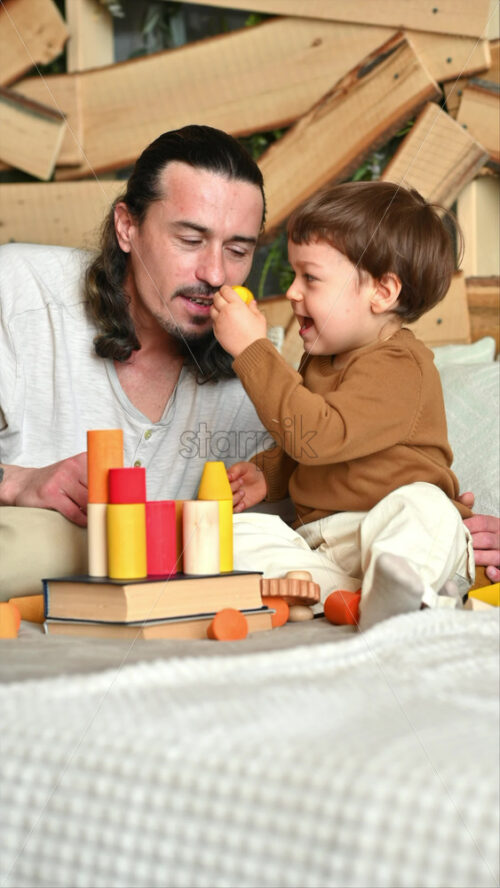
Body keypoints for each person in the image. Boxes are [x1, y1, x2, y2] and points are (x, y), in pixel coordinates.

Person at [0, 127, 498, 596]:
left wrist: (465, 531)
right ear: (127, 226)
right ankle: (364, 595)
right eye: (190, 240)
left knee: (410, 519)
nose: (215, 273)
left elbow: (340, 456)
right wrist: (18, 481)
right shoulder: (19, 291)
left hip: (362, 540)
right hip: (30, 543)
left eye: (238, 250)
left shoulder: (263, 378)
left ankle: (391, 592)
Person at [211, 181, 495, 626]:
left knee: (424, 506)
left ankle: (407, 591)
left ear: (382, 293)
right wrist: (268, 475)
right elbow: (311, 447)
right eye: (293, 275)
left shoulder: (401, 364)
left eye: (311, 278)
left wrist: (251, 348)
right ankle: (351, 599)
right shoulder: (319, 360)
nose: (292, 292)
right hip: (327, 544)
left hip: (392, 530)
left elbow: (320, 437)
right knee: (227, 536)